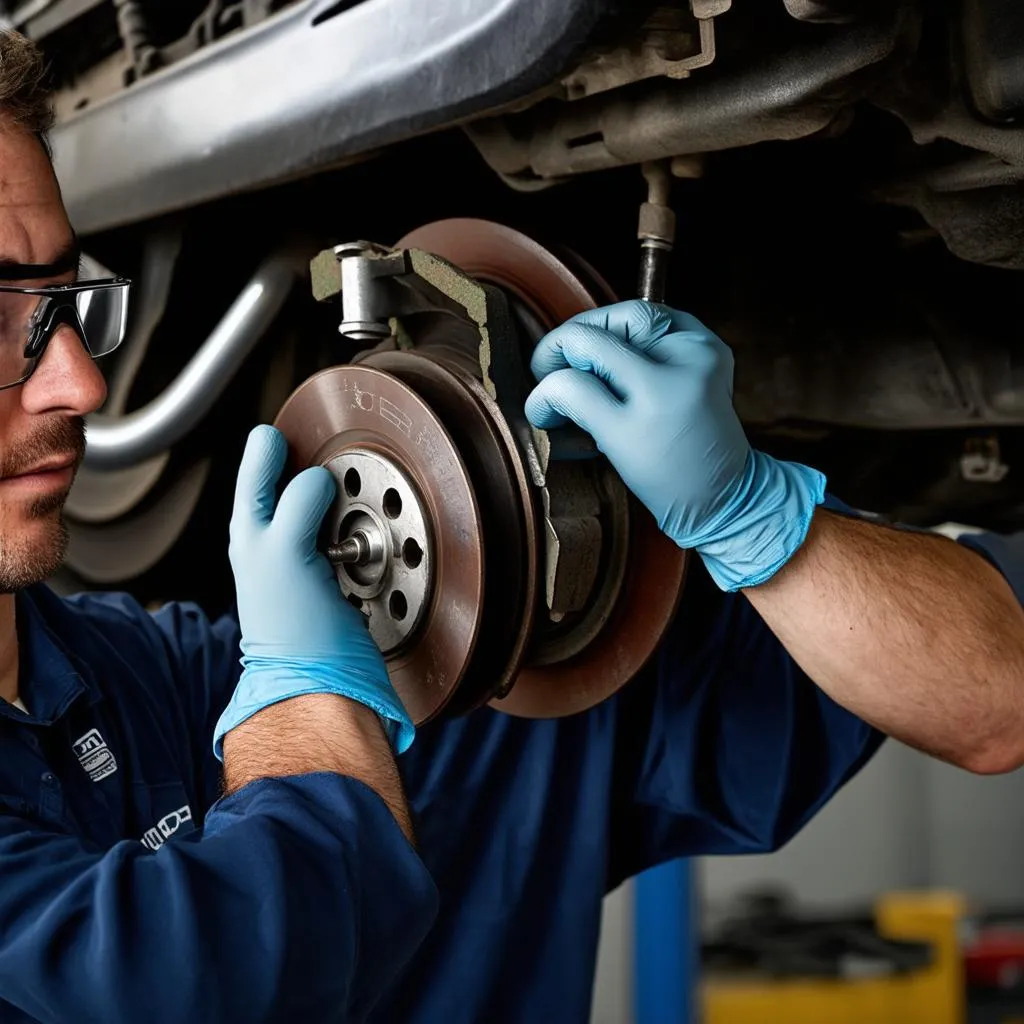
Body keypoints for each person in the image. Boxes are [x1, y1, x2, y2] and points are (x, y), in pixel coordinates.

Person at [0, 27, 1021, 1024]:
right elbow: (243, 980)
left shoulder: (170, 687)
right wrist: (310, 692)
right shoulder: (299, 700)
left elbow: (992, 697)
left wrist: (754, 519)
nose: (80, 380)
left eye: (63, 298)